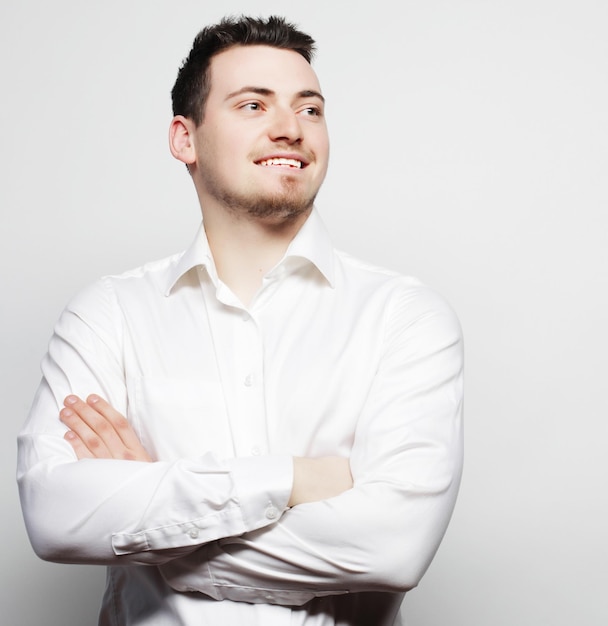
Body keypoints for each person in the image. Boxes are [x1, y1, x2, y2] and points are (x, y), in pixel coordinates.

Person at [17, 15, 464, 626]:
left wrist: (159, 532)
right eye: (253, 105)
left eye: (310, 110)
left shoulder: (404, 316)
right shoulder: (109, 313)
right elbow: (55, 515)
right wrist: (292, 479)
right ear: (185, 139)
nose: (290, 129)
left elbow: (393, 546)